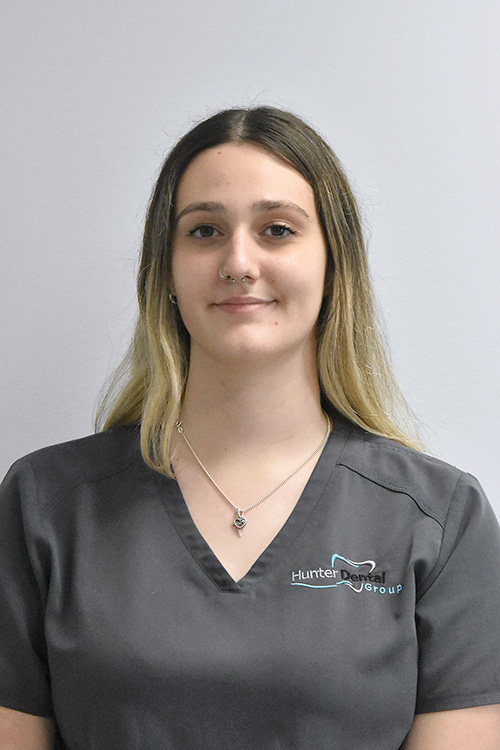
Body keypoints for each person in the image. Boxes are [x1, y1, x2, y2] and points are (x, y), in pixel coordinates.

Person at [1, 106, 499, 750]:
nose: (239, 261)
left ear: (334, 267)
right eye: (205, 230)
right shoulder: (44, 504)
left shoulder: (440, 519)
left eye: (277, 230)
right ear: (166, 271)